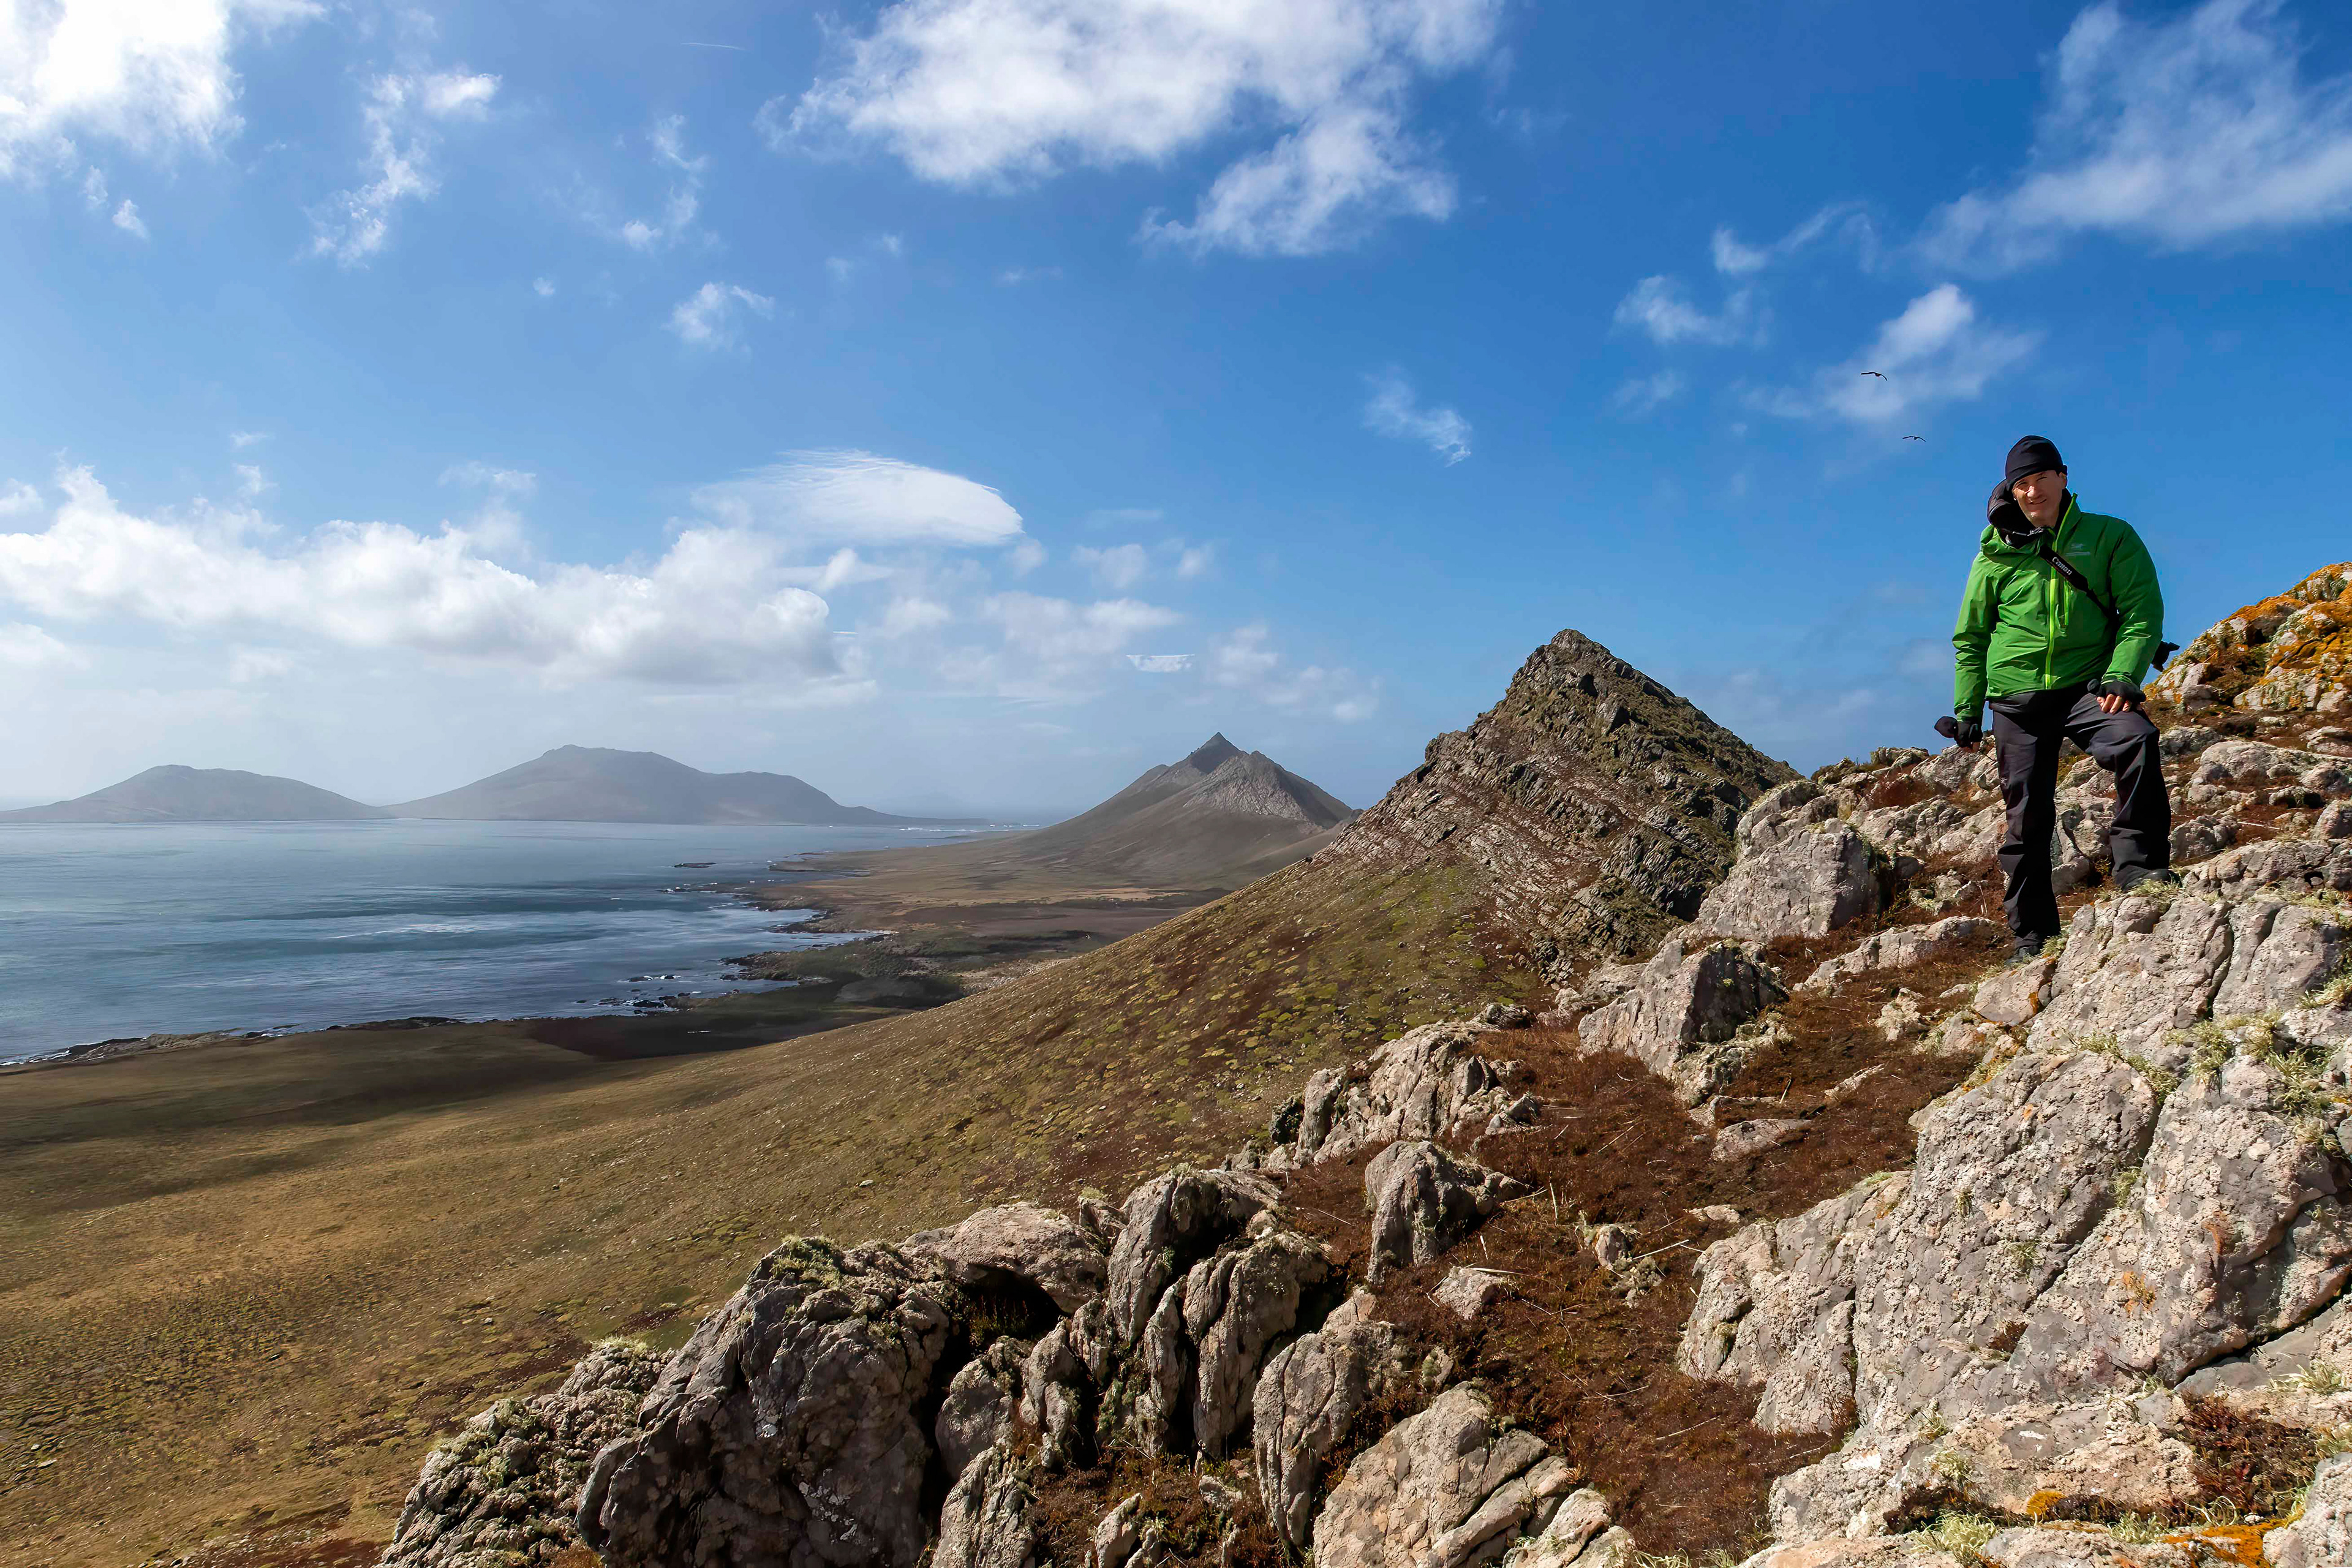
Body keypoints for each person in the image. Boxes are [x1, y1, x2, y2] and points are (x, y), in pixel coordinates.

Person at [1948, 434, 2176, 961]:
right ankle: (2033, 938)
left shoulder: (2110, 536)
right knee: (2026, 817)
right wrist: (1967, 708)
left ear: (2063, 478)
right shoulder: (1994, 555)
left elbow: (2142, 611)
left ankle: (2139, 872)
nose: (2032, 492)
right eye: (2021, 484)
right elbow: (1971, 637)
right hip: (2017, 702)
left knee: (2136, 740)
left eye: (2040, 479)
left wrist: (2124, 674)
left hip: (2088, 688)